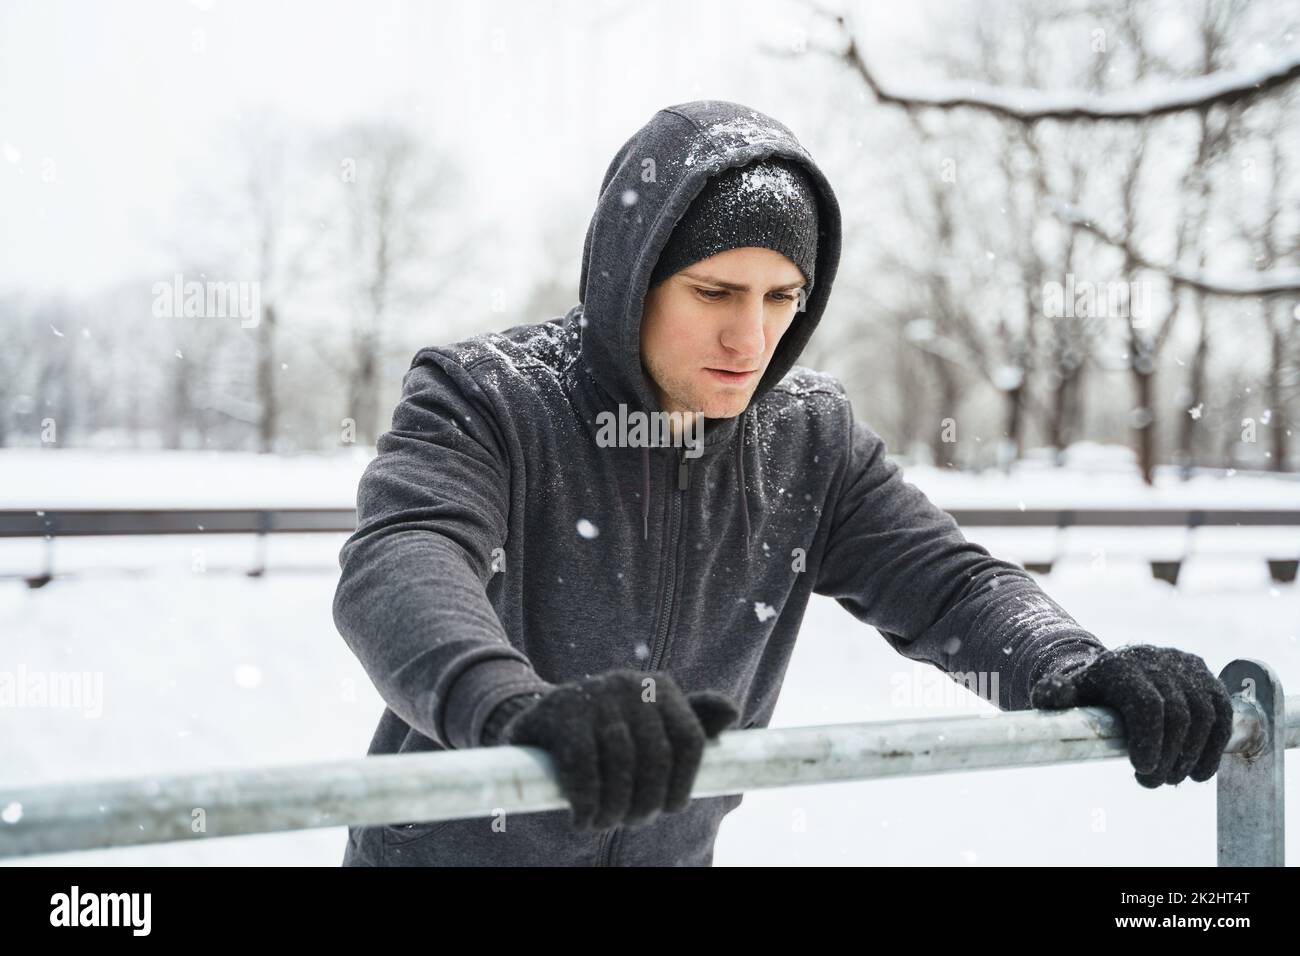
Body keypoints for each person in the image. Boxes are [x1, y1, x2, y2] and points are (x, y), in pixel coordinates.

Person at [333, 99, 1234, 867]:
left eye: (781, 297)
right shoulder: (489, 398)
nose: (751, 340)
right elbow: (402, 564)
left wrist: (1072, 667)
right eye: (715, 292)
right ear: (630, 279)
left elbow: (949, 585)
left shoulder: (808, 438)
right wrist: (517, 713)